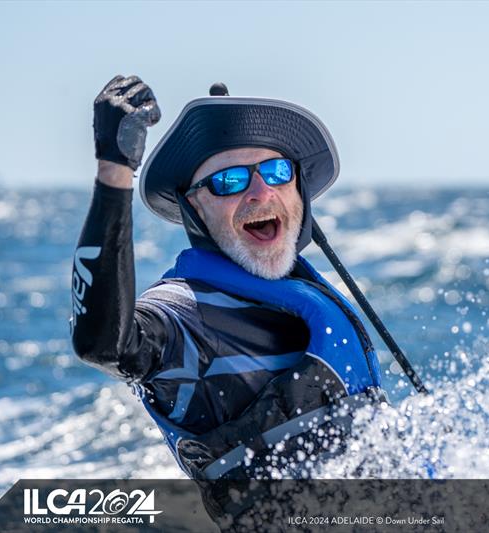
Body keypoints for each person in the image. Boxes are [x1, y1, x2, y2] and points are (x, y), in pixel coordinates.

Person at [70, 75, 385, 514]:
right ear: (194, 207)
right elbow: (103, 343)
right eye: (229, 181)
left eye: (277, 172)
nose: (261, 192)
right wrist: (114, 170)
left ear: (298, 190)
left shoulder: (299, 290)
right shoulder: (184, 314)